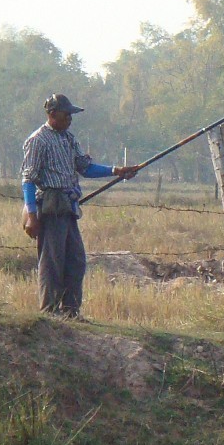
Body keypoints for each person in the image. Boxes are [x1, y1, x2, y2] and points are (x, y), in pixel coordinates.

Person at [21, 93, 139, 319]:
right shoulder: (38, 141)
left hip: (68, 208)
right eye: (66, 115)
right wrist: (32, 216)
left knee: (76, 260)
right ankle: (50, 313)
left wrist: (116, 171)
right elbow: (28, 179)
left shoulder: (68, 139)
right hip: (50, 208)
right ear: (52, 114)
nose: (70, 120)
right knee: (52, 263)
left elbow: (85, 167)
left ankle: (71, 312)